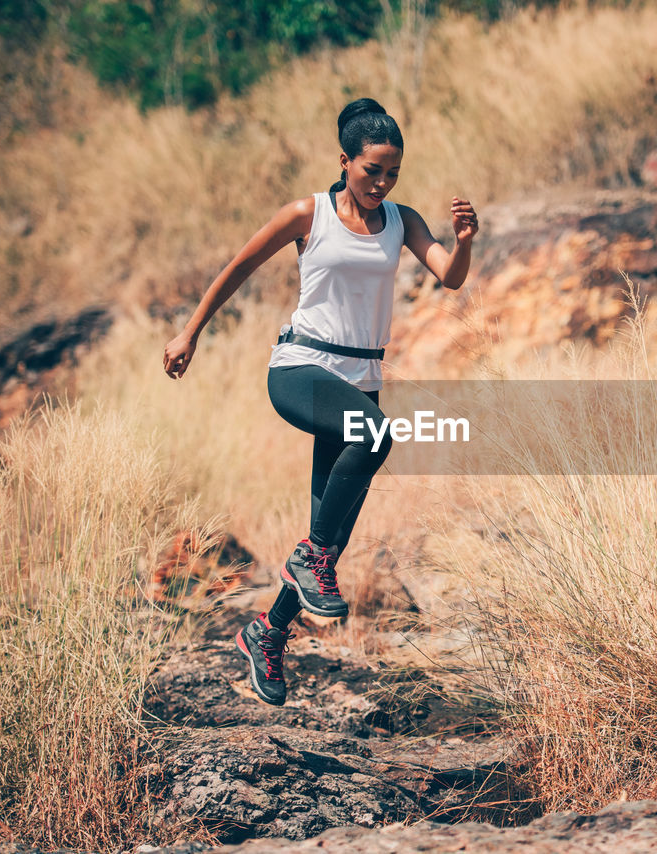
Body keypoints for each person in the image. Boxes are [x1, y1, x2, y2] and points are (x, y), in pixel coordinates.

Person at [162, 98, 478, 706]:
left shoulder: (401, 220)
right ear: (345, 161)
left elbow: (452, 276)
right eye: (371, 171)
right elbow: (239, 266)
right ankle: (305, 569)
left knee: (324, 541)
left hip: (358, 379)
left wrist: (462, 241)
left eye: (392, 174)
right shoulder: (308, 214)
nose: (381, 183)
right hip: (302, 367)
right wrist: (190, 332)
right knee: (377, 438)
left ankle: (266, 632)